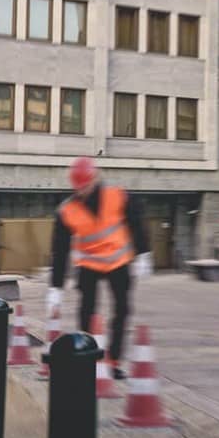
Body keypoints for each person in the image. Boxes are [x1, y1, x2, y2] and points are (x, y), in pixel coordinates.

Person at [47, 158, 152, 378]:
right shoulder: (67, 211)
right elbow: (60, 250)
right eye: (79, 187)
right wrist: (55, 287)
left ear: (95, 178)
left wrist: (143, 252)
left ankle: (113, 360)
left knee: (122, 310)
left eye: (86, 185)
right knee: (87, 310)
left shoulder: (117, 196)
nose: (83, 190)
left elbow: (136, 221)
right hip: (89, 265)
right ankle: (87, 356)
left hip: (118, 262)